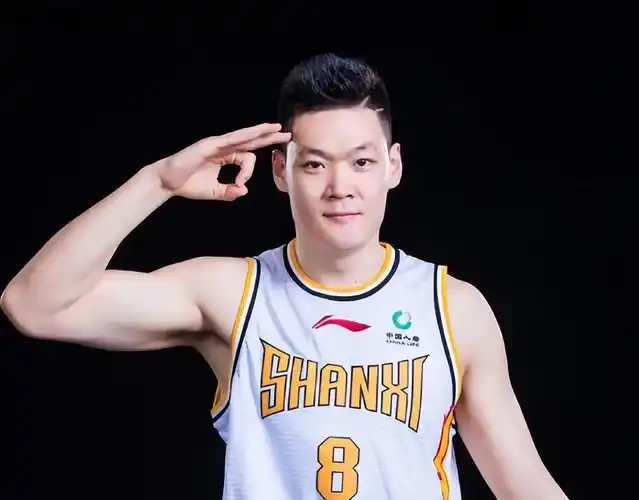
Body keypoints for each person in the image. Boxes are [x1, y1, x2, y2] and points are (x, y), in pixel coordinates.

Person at [1, 53, 567, 500]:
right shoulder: (233, 294)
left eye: (362, 162)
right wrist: (158, 183)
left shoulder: (453, 307)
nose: (340, 186)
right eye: (315, 164)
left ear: (392, 167)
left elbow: (524, 485)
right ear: (281, 170)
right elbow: (35, 305)